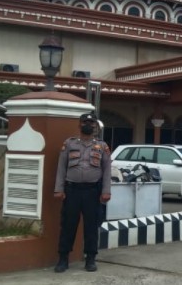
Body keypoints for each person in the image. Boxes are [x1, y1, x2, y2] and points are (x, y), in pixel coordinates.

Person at [53, 113, 112, 273]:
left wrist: (106, 191)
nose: (88, 124)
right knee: (68, 225)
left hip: (92, 192)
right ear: (79, 125)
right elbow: (61, 167)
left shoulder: (102, 146)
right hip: (72, 191)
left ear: (95, 126)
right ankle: (63, 258)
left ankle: (90, 259)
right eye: (85, 122)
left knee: (91, 226)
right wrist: (59, 189)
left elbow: (107, 170)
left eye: (91, 122)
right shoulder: (69, 144)